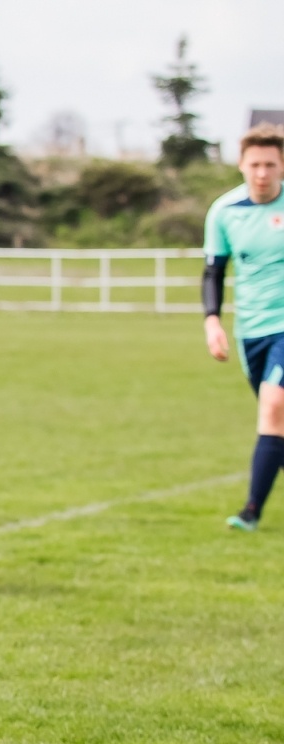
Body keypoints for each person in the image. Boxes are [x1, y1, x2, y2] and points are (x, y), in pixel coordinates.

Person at [203, 123, 284, 532]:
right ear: (241, 165)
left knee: (273, 407)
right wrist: (212, 321)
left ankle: (251, 512)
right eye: (255, 164)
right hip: (250, 329)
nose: (263, 173)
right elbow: (213, 272)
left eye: (271, 164)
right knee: (278, 420)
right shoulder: (224, 211)